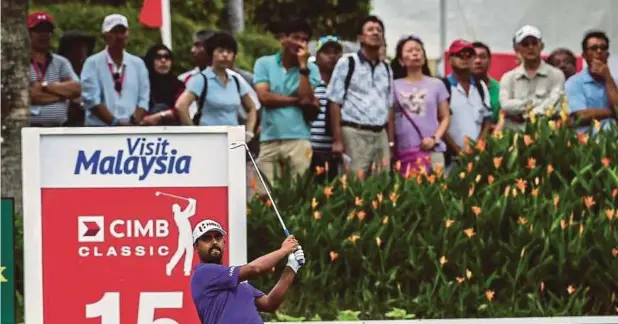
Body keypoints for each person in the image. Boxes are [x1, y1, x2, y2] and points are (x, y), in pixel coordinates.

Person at [253, 19, 321, 195]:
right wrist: (295, 100)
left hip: (299, 138)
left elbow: (306, 99)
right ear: (283, 38)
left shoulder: (312, 68)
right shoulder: (264, 63)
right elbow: (264, 97)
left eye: (304, 40)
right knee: (264, 195)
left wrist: (303, 67)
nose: (300, 43)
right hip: (269, 138)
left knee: (297, 195)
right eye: (296, 37)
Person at [191, 219, 305, 323]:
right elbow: (254, 268)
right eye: (207, 238)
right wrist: (284, 250)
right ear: (196, 247)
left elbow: (270, 303)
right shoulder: (202, 273)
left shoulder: (239, 284)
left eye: (218, 237)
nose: (214, 241)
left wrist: (292, 266)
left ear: (224, 243)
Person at [326, 15, 394, 175]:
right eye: (370, 30)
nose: (376, 33)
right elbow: (334, 101)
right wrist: (337, 140)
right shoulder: (347, 63)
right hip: (354, 133)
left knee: (381, 185)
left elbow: (389, 106)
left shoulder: (386, 68)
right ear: (360, 38)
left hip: (380, 134)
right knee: (354, 184)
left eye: (379, 30)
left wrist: (390, 142)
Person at [176, 32, 257, 140]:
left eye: (229, 52)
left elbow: (252, 107)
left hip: (233, 139)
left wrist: (249, 132)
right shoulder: (201, 79)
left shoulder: (236, 80)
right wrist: (193, 133)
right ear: (211, 53)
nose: (225, 55)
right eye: (220, 51)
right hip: (208, 139)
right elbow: (181, 106)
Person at [391, 35, 450, 175]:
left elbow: (445, 117)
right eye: (409, 51)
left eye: (418, 49)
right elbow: (390, 119)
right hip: (404, 153)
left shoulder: (437, 84)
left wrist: (435, 139)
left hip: (432, 151)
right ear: (400, 60)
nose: (415, 53)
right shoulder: (393, 86)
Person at [81, 14, 150, 126]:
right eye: (114, 32)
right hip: (99, 131)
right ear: (105, 36)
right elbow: (92, 100)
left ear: (128, 35)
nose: (119, 36)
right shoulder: (92, 63)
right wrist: (115, 123)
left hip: (130, 131)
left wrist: (133, 123)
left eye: (122, 32)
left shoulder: (138, 64)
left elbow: (143, 99)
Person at [499, 25, 565, 130]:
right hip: (515, 138)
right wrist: (535, 104)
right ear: (517, 49)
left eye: (534, 43)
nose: (530, 47)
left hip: (546, 137)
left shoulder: (556, 75)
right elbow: (505, 106)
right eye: (525, 44)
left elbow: (555, 105)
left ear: (542, 46)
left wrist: (526, 114)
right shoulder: (508, 78)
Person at [442, 40, 492, 167]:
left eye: (469, 55)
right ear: (450, 59)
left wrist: (479, 145)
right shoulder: (443, 86)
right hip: (451, 158)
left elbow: (487, 121)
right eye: (460, 55)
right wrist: (458, 150)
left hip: (477, 157)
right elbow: (439, 123)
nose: (465, 59)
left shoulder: (480, 86)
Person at [28, 12, 81, 127]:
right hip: (27, 129)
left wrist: (44, 86)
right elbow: (29, 95)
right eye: (38, 31)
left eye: (47, 31)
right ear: (28, 34)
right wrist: (63, 95)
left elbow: (76, 89)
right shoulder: (19, 63)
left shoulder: (61, 62)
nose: (43, 35)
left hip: (57, 130)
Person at [565, 30, 618, 133]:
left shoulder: (614, 81)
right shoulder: (574, 83)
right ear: (584, 55)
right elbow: (581, 115)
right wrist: (612, 112)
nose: (599, 51)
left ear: (607, 54)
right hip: (587, 140)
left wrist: (607, 78)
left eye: (603, 48)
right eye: (594, 48)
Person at [310, 35, 344, 182]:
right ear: (317, 56)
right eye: (326, 52)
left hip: (337, 149)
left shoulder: (345, 84)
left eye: (336, 52)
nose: (332, 56)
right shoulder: (310, 82)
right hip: (312, 148)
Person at [140, 44, 185, 126]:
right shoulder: (142, 84)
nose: (163, 61)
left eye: (167, 57)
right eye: (158, 57)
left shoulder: (178, 85)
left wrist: (160, 116)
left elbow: (182, 109)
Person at [58, 30, 95, 126]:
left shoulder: (92, 70)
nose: (82, 50)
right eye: (77, 46)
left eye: (84, 46)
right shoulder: (59, 70)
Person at [471, 41, 501, 121]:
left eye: (483, 57)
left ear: (490, 61)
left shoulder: (500, 89)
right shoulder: (459, 89)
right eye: (474, 57)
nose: (478, 61)